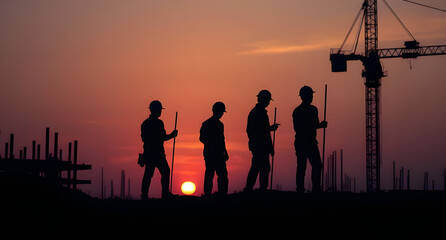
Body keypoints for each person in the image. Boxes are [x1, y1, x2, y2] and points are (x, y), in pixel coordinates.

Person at [140, 100, 178, 200]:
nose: (160, 112)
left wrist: (170, 136)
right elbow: (161, 137)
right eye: (159, 110)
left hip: (153, 153)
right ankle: (163, 193)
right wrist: (171, 136)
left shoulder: (146, 123)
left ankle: (146, 194)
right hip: (155, 153)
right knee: (154, 173)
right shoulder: (157, 123)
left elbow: (146, 138)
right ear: (155, 110)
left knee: (152, 173)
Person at [293, 86, 327, 193]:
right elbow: (299, 128)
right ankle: (305, 189)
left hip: (306, 142)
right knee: (305, 166)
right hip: (305, 142)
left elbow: (313, 125)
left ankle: (311, 188)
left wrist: (320, 125)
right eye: (310, 95)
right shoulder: (305, 111)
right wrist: (320, 125)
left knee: (312, 166)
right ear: (305, 96)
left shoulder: (303, 110)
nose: (311, 97)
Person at [244, 90, 279, 192]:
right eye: (267, 100)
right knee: (259, 168)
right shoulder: (257, 113)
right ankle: (254, 189)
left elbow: (264, 132)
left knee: (261, 167)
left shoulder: (259, 112)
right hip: (259, 146)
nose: (268, 102)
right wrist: (270, 128)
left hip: (260, 145)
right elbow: (256, 131)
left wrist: (270, 147)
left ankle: (255, 188)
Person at [199, 102, 229, 197]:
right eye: (221, 112)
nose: (221, 114)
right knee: (211, 174)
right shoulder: (207, 124)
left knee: (220, 175)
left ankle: (221, 194)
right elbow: (202, 138)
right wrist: (212, 143)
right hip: (211, 153)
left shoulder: (220, 125)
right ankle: (209, 194)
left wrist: (225, 152)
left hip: (217, 153)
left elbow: (221, 140)